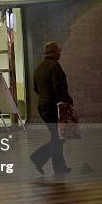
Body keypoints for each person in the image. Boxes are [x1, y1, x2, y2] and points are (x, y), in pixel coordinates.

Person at [31, 41, 73, 175]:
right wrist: (67, 102)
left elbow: (36, 88)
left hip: (42, 105)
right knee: (59, 137)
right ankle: (38, 158)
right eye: (58, 50)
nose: (60, 52)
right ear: (54, 52)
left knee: (56, 136)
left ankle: (59, 167)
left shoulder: (39, 67)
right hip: (54, 106)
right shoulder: (55, 66)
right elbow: (58, 88)